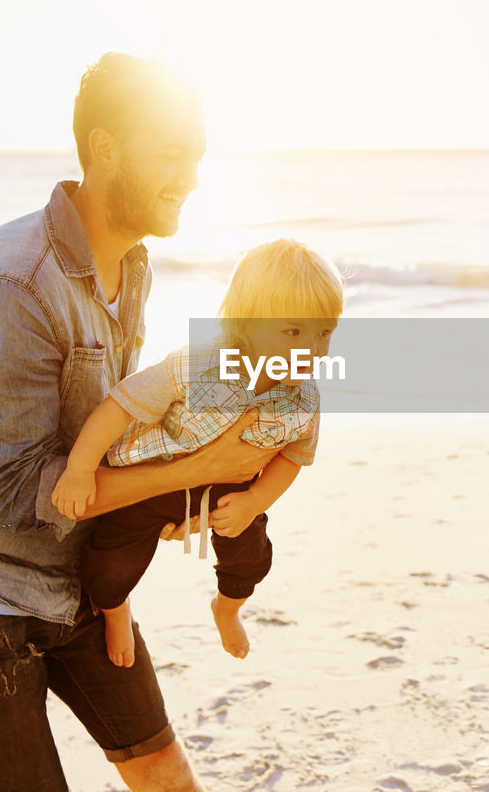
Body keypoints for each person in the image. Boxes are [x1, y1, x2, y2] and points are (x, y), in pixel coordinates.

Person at [0, 52, 279, 792]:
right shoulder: (13, 284)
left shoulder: (130, 267)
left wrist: (131, 573)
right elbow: (18, 494)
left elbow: (118, 432)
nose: (191, 178)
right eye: (171, 155)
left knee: (164, 773)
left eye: (197, 158)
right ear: (106, 149)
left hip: (74, 583)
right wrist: (196, 470)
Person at [51, 238, 343, 665]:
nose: (312, 348)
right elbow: (118, 405)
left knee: (252, 558)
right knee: (109, 564)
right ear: (246, 322)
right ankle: (116, 611)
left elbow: (293, 456)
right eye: (293, 331)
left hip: (234, 492)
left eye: (324, 332)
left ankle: (226, 609)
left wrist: (255, 501)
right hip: (156, 475)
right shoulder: (196, 366)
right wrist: (80, 468)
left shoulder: (304, 400)